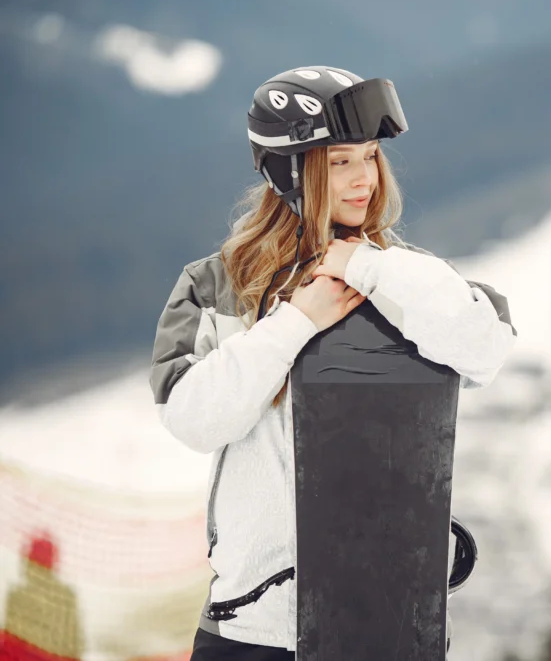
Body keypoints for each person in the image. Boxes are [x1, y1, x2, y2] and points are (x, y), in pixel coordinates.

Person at [149, 66, 516, 660]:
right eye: (340, 160)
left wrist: (366, 265)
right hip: (251, 629)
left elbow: (486, 348)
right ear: (290, 169)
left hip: (386, 621)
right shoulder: (215, 284)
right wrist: (296, 321)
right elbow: (192, 417)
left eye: (369, 158)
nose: (363, 178)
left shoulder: (406, 275)